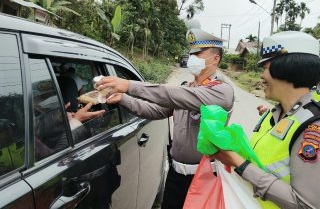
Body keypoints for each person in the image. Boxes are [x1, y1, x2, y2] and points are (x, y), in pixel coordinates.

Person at [95, 28, 235, 209]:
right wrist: (123, 98)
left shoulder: (221, 91)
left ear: (215, 58)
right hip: (176, 174)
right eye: (191, 53)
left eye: (198, 54)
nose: (192, 58)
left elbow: (171, 94)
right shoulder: (187, 87)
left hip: (204, 176)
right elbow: (154, 110)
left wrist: (129, 85)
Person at [205, 31, 320, 209]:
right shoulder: (274, 114)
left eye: (265, 68)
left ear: (287, 68)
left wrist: (239, 163)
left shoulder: (312, 126)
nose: (261, 76)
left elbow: (305, 205)